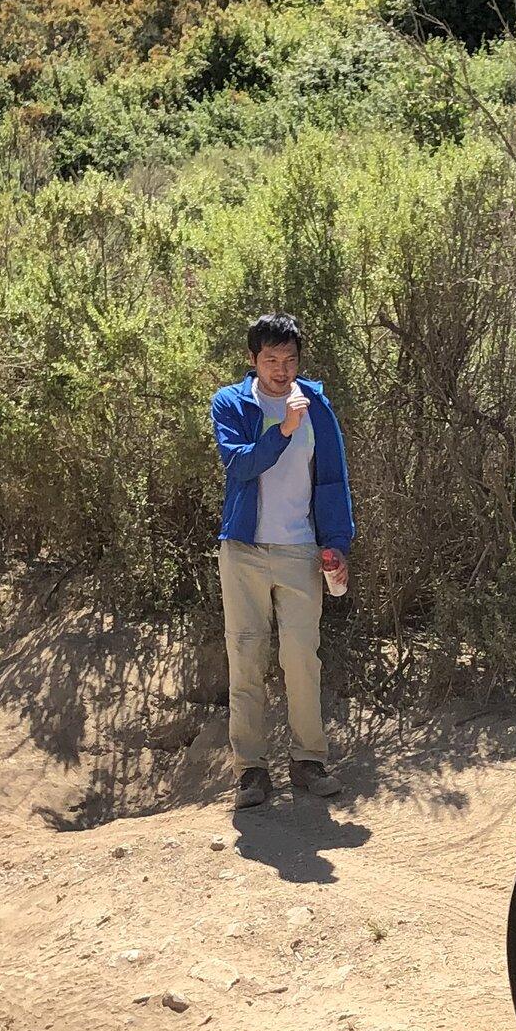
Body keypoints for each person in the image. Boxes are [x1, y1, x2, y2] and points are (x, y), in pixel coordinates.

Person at [213, 311, 353, 808]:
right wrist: (283, 429)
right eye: (270, 359)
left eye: (289, 359)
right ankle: (251, 771)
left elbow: (333, 478)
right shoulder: (230, 402)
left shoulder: (316, 403)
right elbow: (240, 464)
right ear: (252, 361)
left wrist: (336, 543)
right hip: (244, 550)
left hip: (300, 548)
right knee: (246, 658)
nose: (281, 368)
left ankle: (308, 761)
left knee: (301, 659)